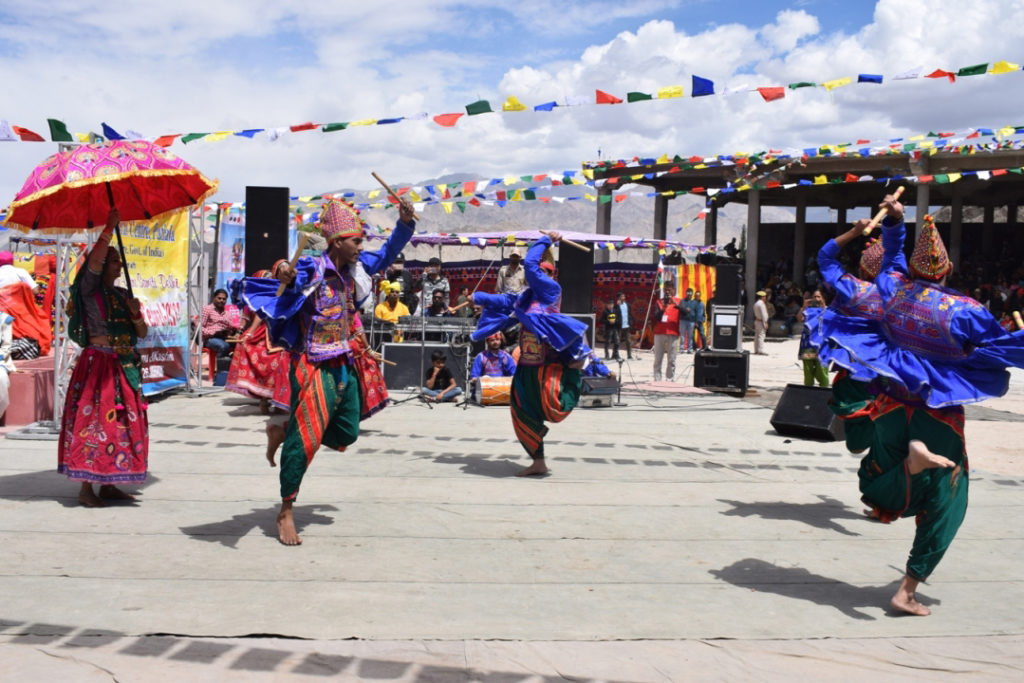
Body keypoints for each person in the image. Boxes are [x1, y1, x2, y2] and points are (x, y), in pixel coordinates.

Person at [816, 195, 1024, 616]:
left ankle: (905, 464)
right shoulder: (966, 310)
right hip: (938, 413)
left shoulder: (889, 288)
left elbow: (873, 256)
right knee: (951, 496)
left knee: (874, 484)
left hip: (890, 404)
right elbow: (998, 349)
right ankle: (906, 590)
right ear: (946, 269)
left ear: (913, 268)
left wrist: (893, 221)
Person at [241, 197, 415, 544]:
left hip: (343, 362)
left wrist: (404, 223)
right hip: (311, 365)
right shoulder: (313, 268)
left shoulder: (356, 268)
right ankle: (286, 509)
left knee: (347, 432)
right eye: (356, 241)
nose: (361, 248)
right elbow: (283, 272)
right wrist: (281, 269)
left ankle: (282, 429)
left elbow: (387, 254)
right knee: (306, 441)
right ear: (338, 242)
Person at [471, 231, 591, 476]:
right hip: (526, 365)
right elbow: (503, 302)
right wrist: (477, 297)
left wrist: (546, 241)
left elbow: (530, 266)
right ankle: (538, 461)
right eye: (539, 272)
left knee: (554, 407)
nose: (539, 275)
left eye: (544, 271)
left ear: (550, 274)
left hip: (547, 364)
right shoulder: (526, 297)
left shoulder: (550, 290)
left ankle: (574, 376)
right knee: (520, 412)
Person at [58, 208, 149, 508]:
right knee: (94, 422)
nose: (118, 265)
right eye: (114, 260)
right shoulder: (88, 291)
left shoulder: (123, 296)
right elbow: (94, 264)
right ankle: (86, 488)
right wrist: (109, 228)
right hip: (98, 365)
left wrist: (136, 315)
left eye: (117, 261)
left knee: (120, 424)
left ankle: (109, 484)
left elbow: (143, 333)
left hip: (123, 366)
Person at [225, 265, 291, 415]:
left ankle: (278, 401)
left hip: (285, 331)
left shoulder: (288, 289)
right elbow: (259, 314)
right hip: (269, 332)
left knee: (282, 365)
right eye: (281, 270)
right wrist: (247, 333)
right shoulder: (269, 293)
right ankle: (266, 399)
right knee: (270, 365)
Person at [469, 331, 516, 400]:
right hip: (485, 390)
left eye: (497, 340)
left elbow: (513, 374)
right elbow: (474, 377)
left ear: (500, 341)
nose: (495, 342)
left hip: (503, 389)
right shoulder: (481, 356)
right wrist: (479, 379)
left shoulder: (506, 356)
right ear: (487, 342)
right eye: (492, 340)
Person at [797, 289, 829, 387]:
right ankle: (808, 390)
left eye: (819, 296)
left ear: (823, 298)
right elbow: (799, 319)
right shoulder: (807, 310)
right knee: (808, 370)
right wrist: (804, 306)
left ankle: (824, 391)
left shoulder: (827, 310)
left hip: (821, 344)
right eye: (814, 296)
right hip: (807, 343)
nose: (816, 299)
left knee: (822, 369)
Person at [651, 291, 681, 381]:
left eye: (670, 291)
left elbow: (686, 313)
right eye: (666, 292)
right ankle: (657, 378)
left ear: (674, 291)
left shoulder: (679, 301)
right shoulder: (659, 302)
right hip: (659, 332)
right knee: (658, 358)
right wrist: (663, 309)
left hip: (673, 332)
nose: (668, 295)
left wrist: (675, 303)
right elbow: (656, 317)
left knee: (672, 358)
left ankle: (670, 378)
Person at [201, 288, 238, 358]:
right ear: (214, 298)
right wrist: (213, 333)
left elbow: (231, 327)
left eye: (224, 299)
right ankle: (221, 368)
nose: (221, 300)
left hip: (224, 338)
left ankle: (232, 365)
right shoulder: (207, 309)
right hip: (210, 339)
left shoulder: (228, 313)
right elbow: (199, 328)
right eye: (219, 298)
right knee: (224, 346)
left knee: (241, 345)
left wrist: (233, 331)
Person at [677, 288, 696, 353]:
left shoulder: (694, 302)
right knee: (682, 335)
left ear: (692, 294)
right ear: (686, 293)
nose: (689, 294)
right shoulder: (682, 301)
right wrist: (685, 309)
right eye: (688, 293)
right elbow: (679, 308)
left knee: (690, 336)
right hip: (683, 320)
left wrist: (696, 321)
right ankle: (681, 349)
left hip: (691, 321)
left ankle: (689, 349)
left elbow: (696, 311)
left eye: (690, 293)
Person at [616, 292, 633, 359]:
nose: (623, 298)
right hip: (619, 325)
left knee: (628, 341)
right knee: (617, 340)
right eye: (622, 296)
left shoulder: (627, 305)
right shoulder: (616, 305)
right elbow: (614, 313)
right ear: (619, 298)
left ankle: (629, 355)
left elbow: (630, 314)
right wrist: (617, 306)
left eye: (624, 296)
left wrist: (630, 322)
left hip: (626, 325)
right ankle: (616, 354)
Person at [752, 290, 769, 355]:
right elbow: (763, 314)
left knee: (757, 336)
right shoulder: (761, 304)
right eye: (764, 296)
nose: (765, 298)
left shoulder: (756, 303)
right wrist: (765, 322)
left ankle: (756, 350)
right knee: (761, 336)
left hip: (757, 320)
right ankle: (760, 350)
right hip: (761, 321)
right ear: (762, 297)